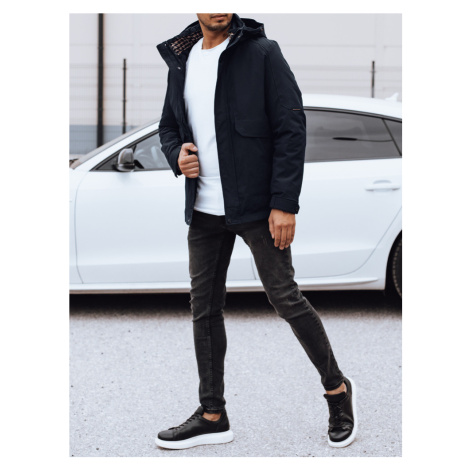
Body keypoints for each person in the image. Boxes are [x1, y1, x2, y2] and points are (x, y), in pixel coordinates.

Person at [155, 13, 357, 450]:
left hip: (258, 207)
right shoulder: (182, 60)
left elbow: (291, 127)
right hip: (204, 208)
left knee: (286, 299)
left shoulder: (262, 53)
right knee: (204, 309)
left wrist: (284, 203)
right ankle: (212, 414)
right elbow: (168, 126)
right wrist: (176, 156)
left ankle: (337, 390)